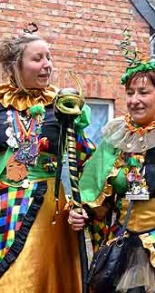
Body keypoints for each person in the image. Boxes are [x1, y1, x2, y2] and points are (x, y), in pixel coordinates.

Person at [69, 54, 155, 292]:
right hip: (126, 242)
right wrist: (80, 211)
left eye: (143, 92)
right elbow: (92, 188)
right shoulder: (116, 136)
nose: (135, 100)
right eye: (130, 93)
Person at [0, 23, 94, 292]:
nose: (47, 65)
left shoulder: (63, 106)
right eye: (37, 58)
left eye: (49, 57)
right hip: (4, 203)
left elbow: (86, 160)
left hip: (47, 208)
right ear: (16, 65)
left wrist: (83, 204)